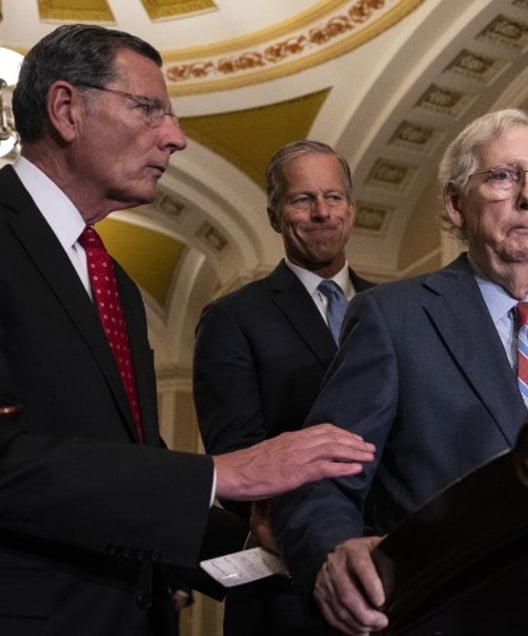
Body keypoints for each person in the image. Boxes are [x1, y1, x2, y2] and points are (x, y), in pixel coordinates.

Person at [0, 24, 375, 636]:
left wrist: (288, 552)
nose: (176, 138)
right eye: (150, 110)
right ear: (66, 109)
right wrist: (224, 474)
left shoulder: (116, 285)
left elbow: (132, 471)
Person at [274, 108, 528, 635]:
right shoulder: (393, 317)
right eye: (503, 177)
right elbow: (322, 478)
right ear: (454, 203)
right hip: (450, 615)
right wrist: (335, 555)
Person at [193, 140, 375, 634]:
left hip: (392, 576)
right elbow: (238, 457)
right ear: (275, 216)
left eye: (334, 197)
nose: (322, 213)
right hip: (288, 589)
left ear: (352, 209)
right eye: (302, 200)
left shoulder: (397, 309)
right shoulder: (232, 319)